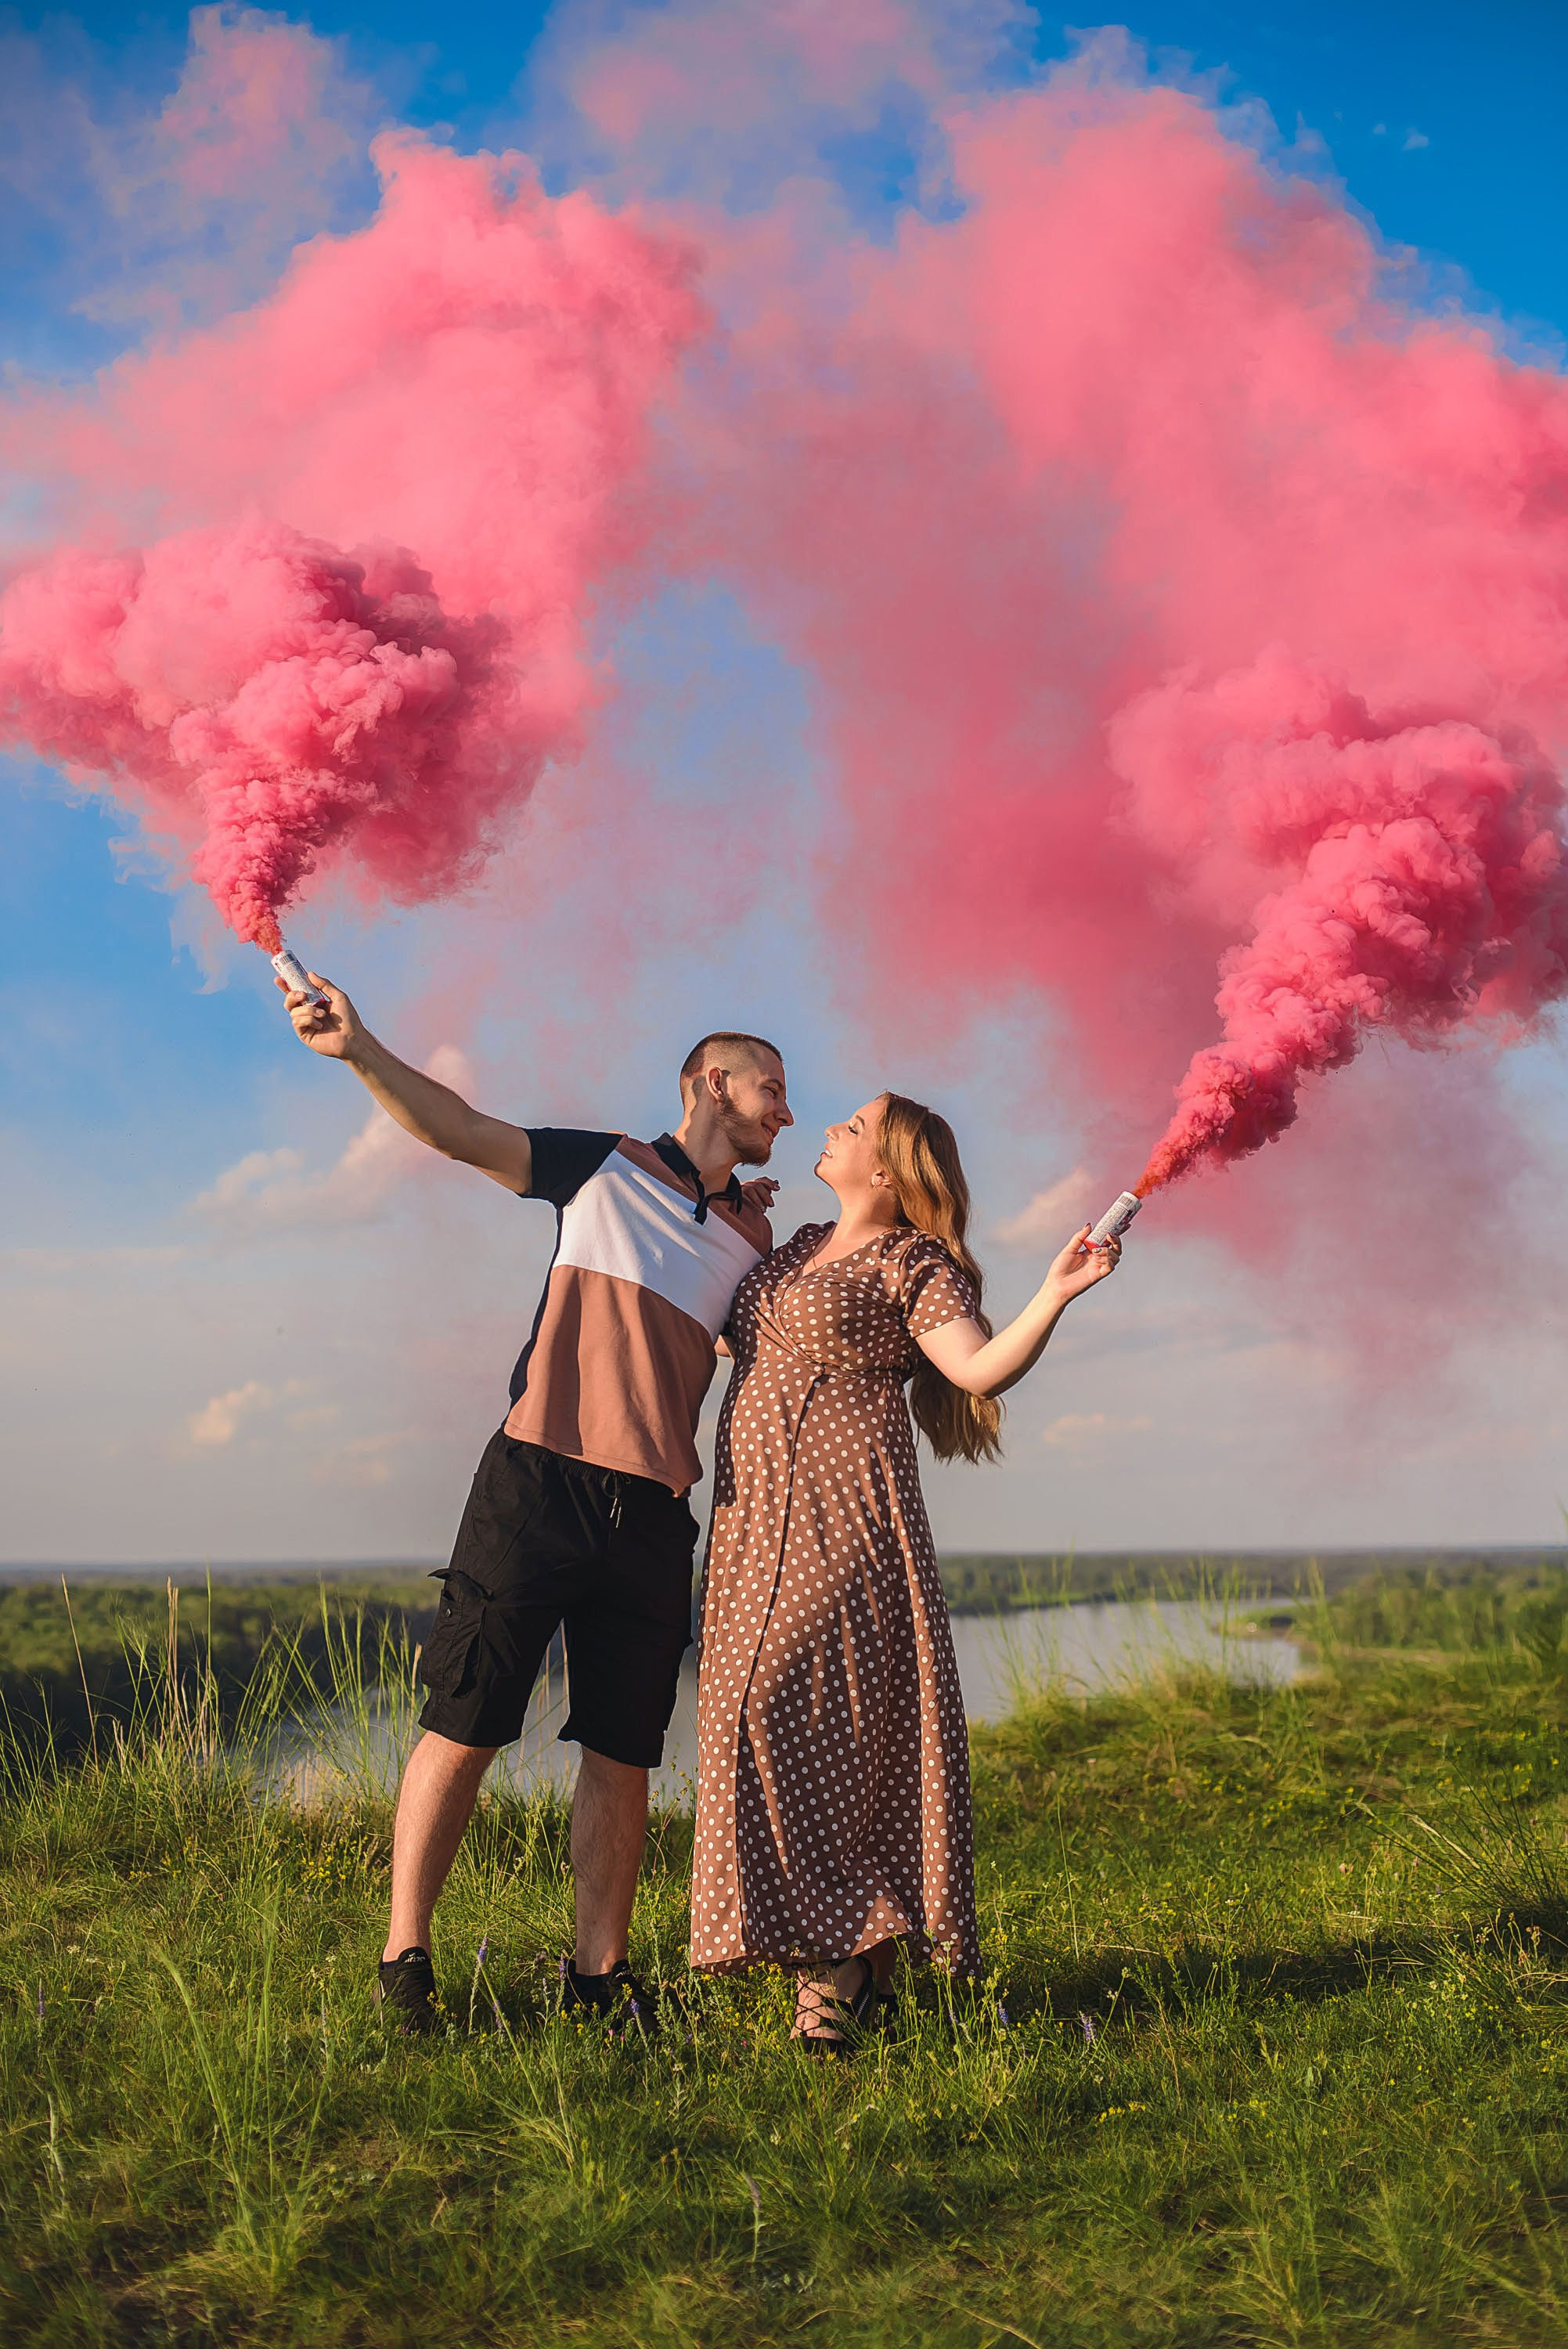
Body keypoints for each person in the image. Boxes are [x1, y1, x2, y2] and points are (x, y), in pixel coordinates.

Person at [279, 969, 790, 2035]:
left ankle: (596, 1980)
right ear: (706, 1084)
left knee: (624, 1751)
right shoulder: (599, 1166)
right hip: (537, 1485)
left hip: (652, 1514)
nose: (784, 1111)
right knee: (463, 1726)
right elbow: (461, 1131)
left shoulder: (751, 1241)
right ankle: (404, 1966)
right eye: (766, 1090)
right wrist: (360, 1050)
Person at [690, 1092, 1120, 2052]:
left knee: (776, 1713)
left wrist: (1053, 1292)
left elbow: (974, 1371)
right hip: (751, 1525)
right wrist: (727, 1211)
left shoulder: (907, 1262)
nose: (831, 1128)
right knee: (741, 1719)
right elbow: (723, 1330)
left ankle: (839, 1962)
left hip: (844, 1521)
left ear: (886, 1171)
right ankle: (851, 1952)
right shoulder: (795, 1246)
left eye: (853, 1124)